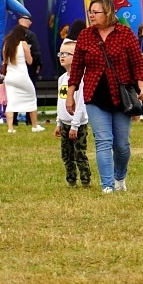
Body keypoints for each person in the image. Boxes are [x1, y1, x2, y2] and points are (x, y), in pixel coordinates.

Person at [67, 0, 143, 194]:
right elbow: (76, 68)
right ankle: (107, 185)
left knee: (121, 145)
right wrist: (70, 93)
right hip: (95, 94)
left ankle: (120, 177)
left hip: (121, 95)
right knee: (103, 140)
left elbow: (137, 63)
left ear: (108, 12)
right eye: (90, 12)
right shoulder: (86, 36)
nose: (91, 16)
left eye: (96, 12)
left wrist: (141, 86)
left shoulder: (125, 33)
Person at [54, 39, 91, 187]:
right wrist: (59, 122)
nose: (62, 56)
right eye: (60, 53)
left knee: (79, 154)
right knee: (66, 154)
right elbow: (60, 102)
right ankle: (71, 181)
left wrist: (75, 125)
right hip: (65, 123)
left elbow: (81, 104)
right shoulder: (62, 79)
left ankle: (85, 180)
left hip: (78, 124)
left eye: (66, 54)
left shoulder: (81, 79)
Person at [1, 22, 43, 133]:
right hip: (22, 75)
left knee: (11, 102)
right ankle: (34, 125)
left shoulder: (7, 44)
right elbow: (30, 61)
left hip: (10, 76)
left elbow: (4, 61)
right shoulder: (23, 43)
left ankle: (10, 128)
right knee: (31, 97)